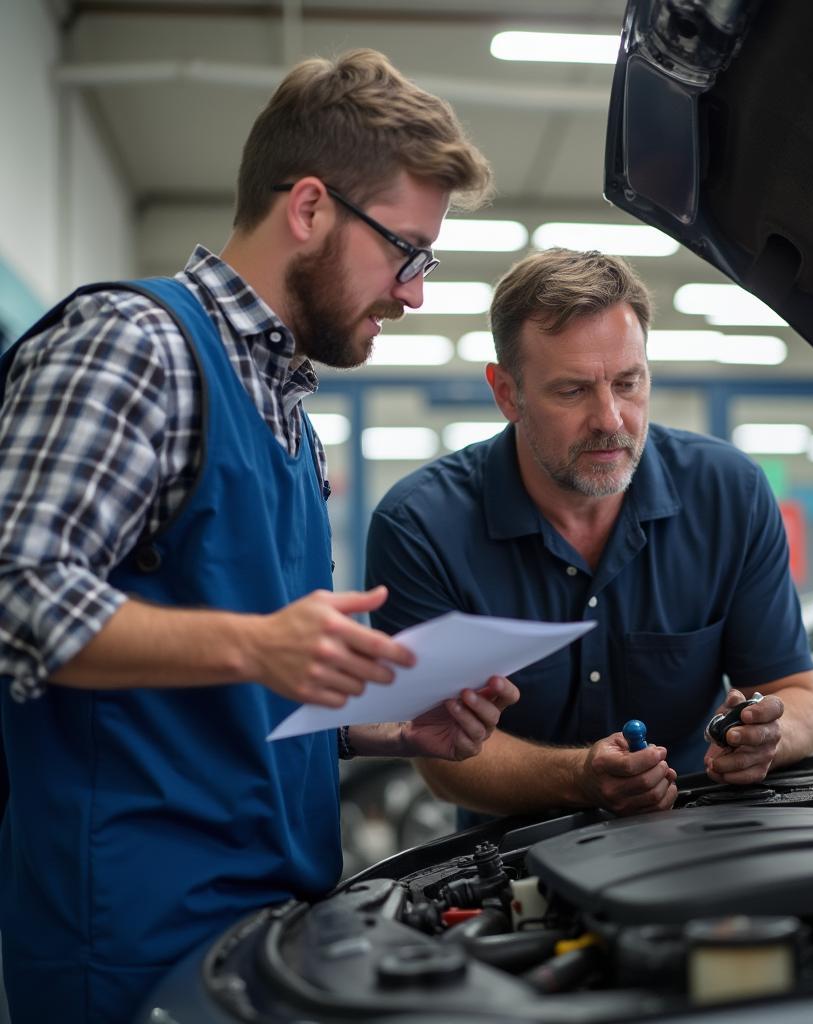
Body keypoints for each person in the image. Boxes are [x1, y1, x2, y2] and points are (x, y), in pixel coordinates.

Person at [0, 50, 519, 1024]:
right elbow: (18, 588)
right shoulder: (136, 344)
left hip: (263, 925)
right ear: (311, 208)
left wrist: (384, 729)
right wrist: (257, 640)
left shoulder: (284, 413)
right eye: (406, 250)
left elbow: (222, 696)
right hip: (130, 946)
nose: (413, 291)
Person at [366, 248, 813, 828]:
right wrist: (580, 777)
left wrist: (770, 735)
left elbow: (800, 695)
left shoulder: (729, 494)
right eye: (572, 391)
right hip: (512, 863)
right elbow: (443, 757)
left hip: (697, 840)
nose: (610, 418)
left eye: (629, 383)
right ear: (507, 392)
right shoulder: (421, 526)